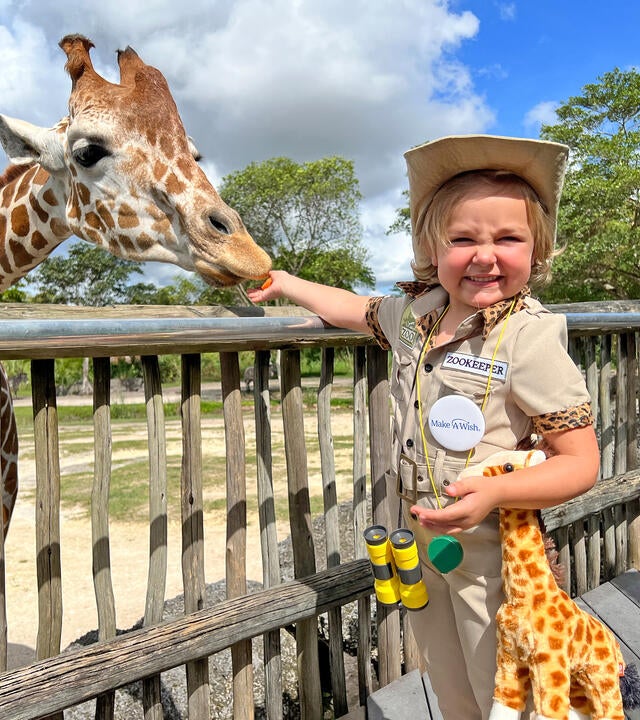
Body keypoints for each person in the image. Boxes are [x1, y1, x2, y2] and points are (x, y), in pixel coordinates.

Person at [247, 134, 600, 720]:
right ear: (432, 249)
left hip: (495, 548)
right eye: (463, 239)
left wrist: (494, 492)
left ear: (536, 250)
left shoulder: (527, 336)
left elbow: (580, 462)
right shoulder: (418, 318)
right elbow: (355, 309)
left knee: (511, 691)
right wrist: (284, 282)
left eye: (508, 239)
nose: (484, 256)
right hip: (425, 536)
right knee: (449, 681)